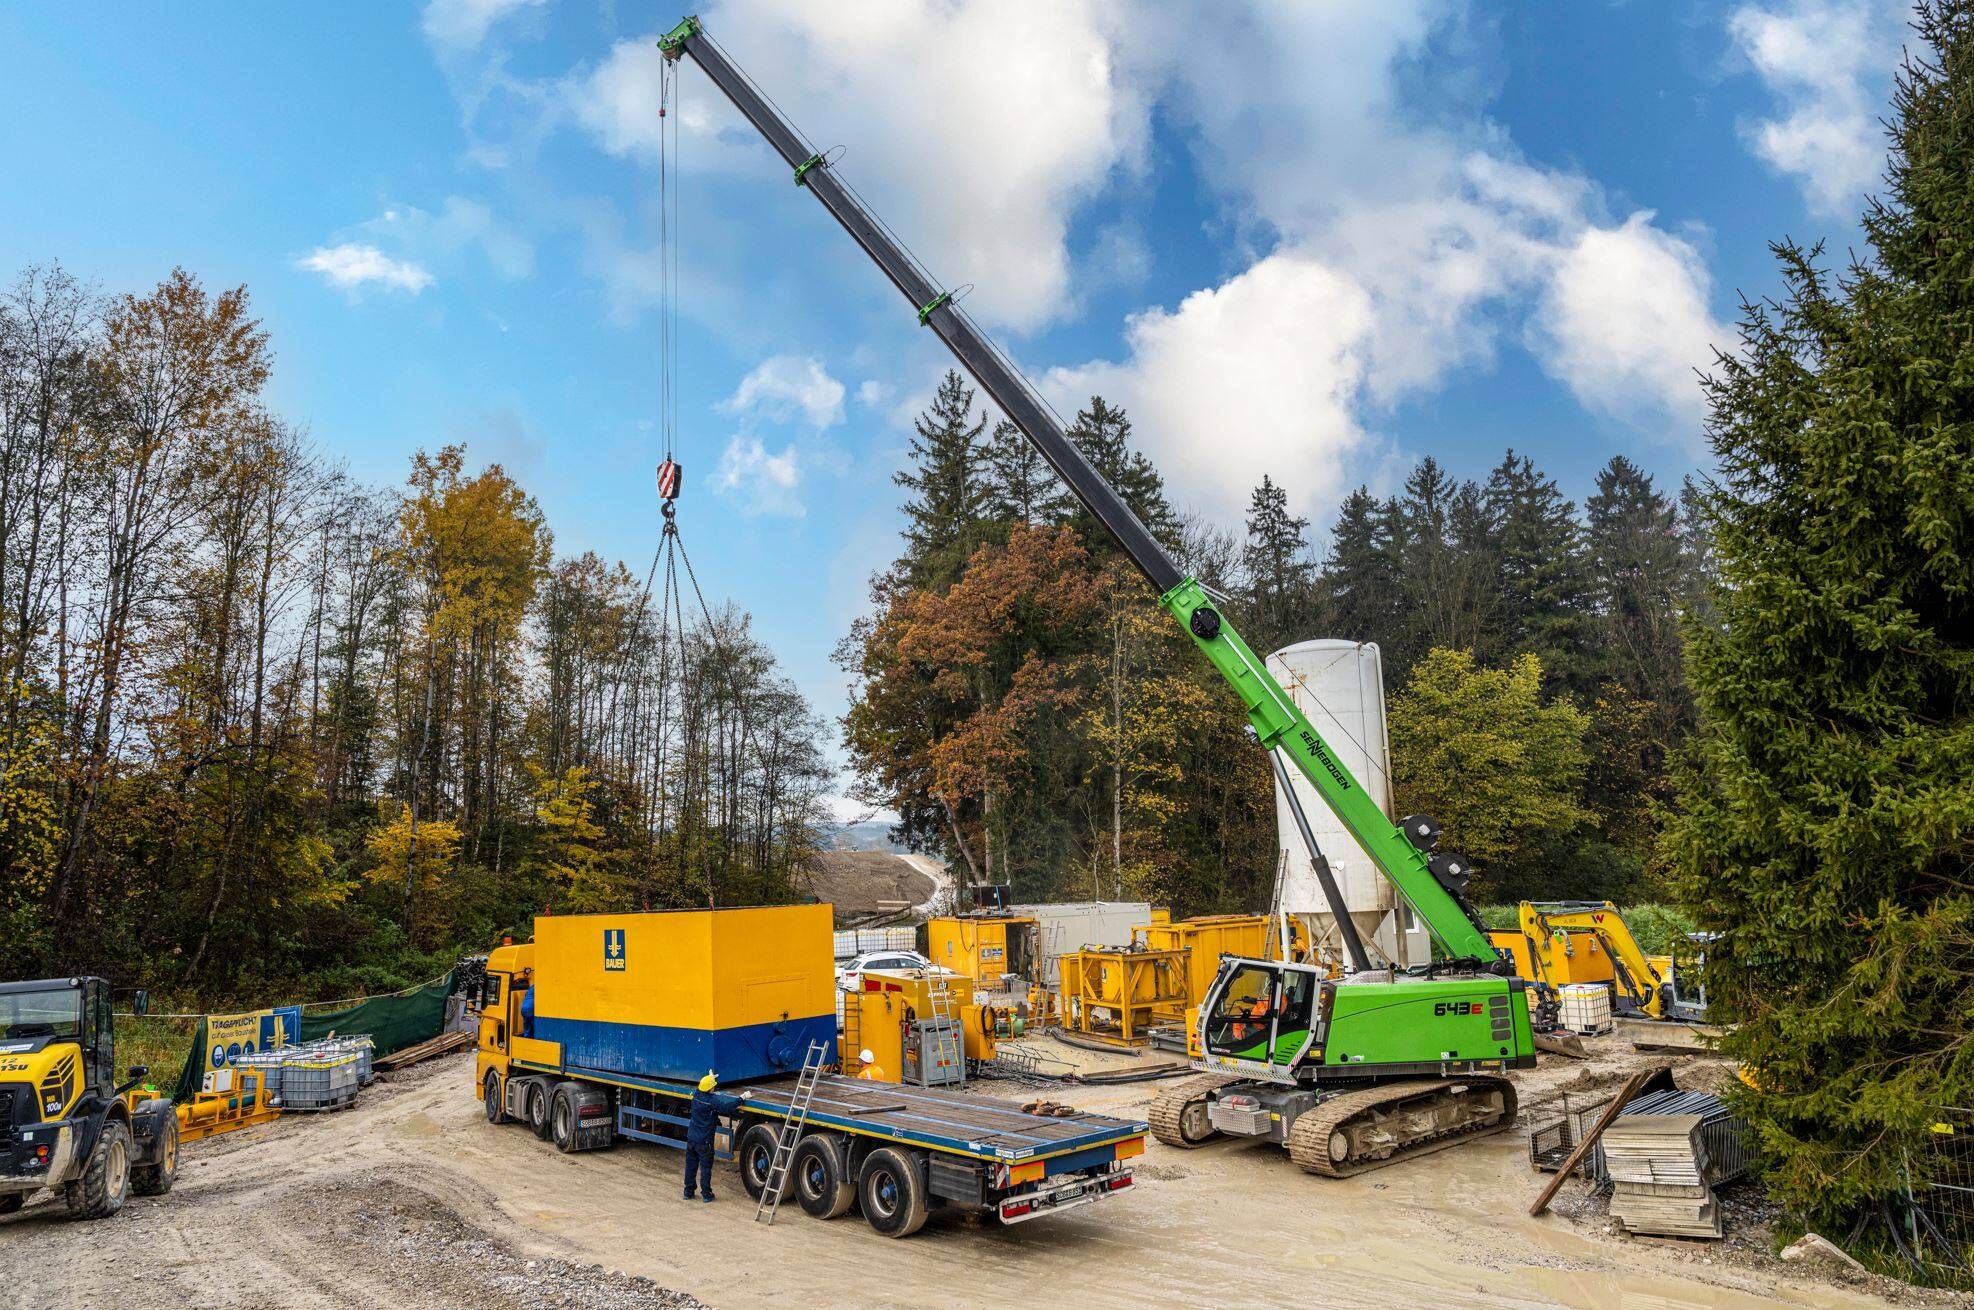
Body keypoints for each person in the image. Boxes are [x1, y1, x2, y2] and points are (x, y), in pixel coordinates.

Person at [684, 1071, 748, 1202]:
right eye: (713, 1086)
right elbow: (726, 1108)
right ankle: (706, 1194)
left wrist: (709, 1078)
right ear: (710, 1088)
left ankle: (688, 1192)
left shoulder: (695, 1096)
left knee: (690, 1166)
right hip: (704, 1141)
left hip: (691, 1138)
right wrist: (741, 1098)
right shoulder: (711, 1101)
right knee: (706, 1167)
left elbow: (700, 1087)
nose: (715, 1088)